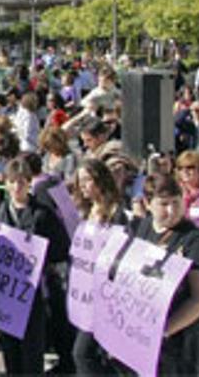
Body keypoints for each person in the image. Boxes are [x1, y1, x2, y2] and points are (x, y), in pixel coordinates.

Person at [131, 173, 199, 375]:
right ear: (148, 203)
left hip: (187, 340)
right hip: (150, 337)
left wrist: (165, 330)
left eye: (177, 202)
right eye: (164, 204)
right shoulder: (143, 227)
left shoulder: (195, 240)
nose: (172, 210)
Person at [0, 157, 70, 375]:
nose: (17, 186)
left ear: (29, 183)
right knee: (10, 350)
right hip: (7, 291)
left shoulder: (42, 213)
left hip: (34, 291)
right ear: (6, 183)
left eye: (22, 181)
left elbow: (61, 248)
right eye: (13, 181)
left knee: (31, 350)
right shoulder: (0, 212)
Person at [71, 159, 129, 375]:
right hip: (84, 293)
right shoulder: (85, 211)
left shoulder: (117, 212)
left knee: (82, 353)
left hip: (107, 294)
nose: (83, 186)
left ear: (100, 179)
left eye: (87, 180)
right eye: (80, 181)